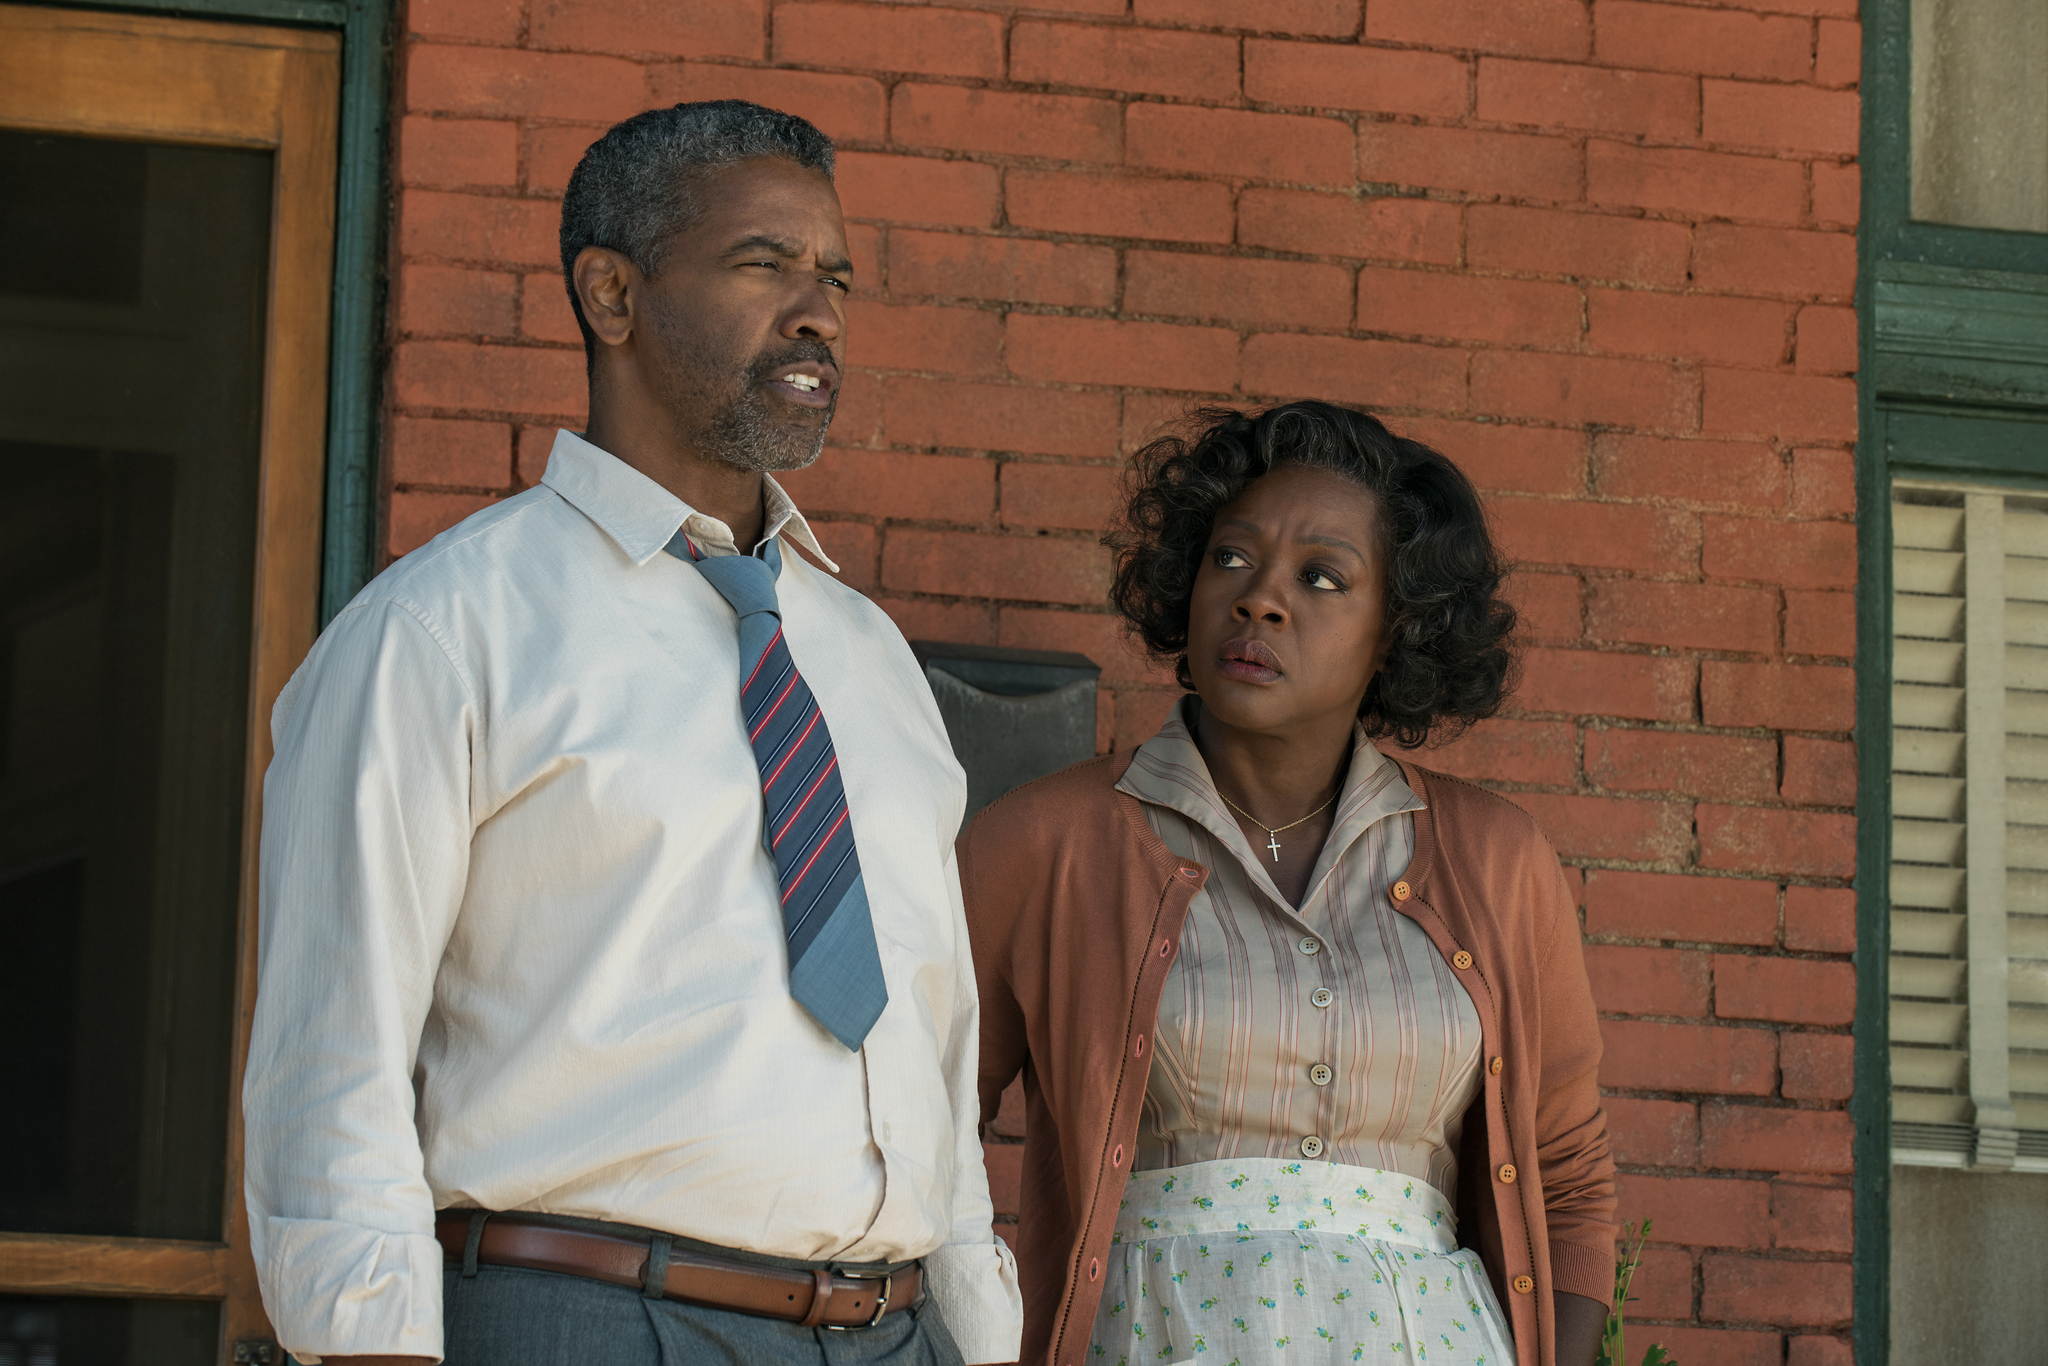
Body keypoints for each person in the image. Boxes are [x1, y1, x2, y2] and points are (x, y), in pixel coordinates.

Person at [242, 101, 1021, 1366]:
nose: (817, 311)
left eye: (832, 276)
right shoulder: (442, 634)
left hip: (893, 1329)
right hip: (581, 1317)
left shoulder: (869, 658)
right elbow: (334, 1053)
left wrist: (979, 1331)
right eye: (764, 265)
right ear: (610, 293)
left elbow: (935, 1034)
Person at [961, 402, 1615, 1366]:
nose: (1261, 600)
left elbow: (1565, 1174)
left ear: (1396, 629)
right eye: (1231, 559)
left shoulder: (1498, 861)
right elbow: (918, 1128)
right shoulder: (1047, 840)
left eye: (1321, 577)